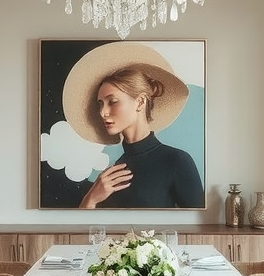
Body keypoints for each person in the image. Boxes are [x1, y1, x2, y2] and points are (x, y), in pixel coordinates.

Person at [62, 42, 204, 209]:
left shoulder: (177, 162)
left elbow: (197, 226)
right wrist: (91, 199)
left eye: (112, 102)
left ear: (140, 102)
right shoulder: (113, 173)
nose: (102, 112)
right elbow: (86, 231)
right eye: (100, 104)